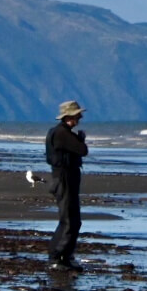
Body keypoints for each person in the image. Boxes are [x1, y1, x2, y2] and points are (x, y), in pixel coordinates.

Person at [44, 99, 89, 271]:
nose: (80, 118)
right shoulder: (62, 133)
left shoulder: (61, 132)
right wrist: (81, 140)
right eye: (77, 115)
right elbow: (82, 150)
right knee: (69, 221)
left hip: (64, 178)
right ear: (69, 116)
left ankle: (65, 257)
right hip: (63, 179)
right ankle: (57, 258)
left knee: (71, 220)